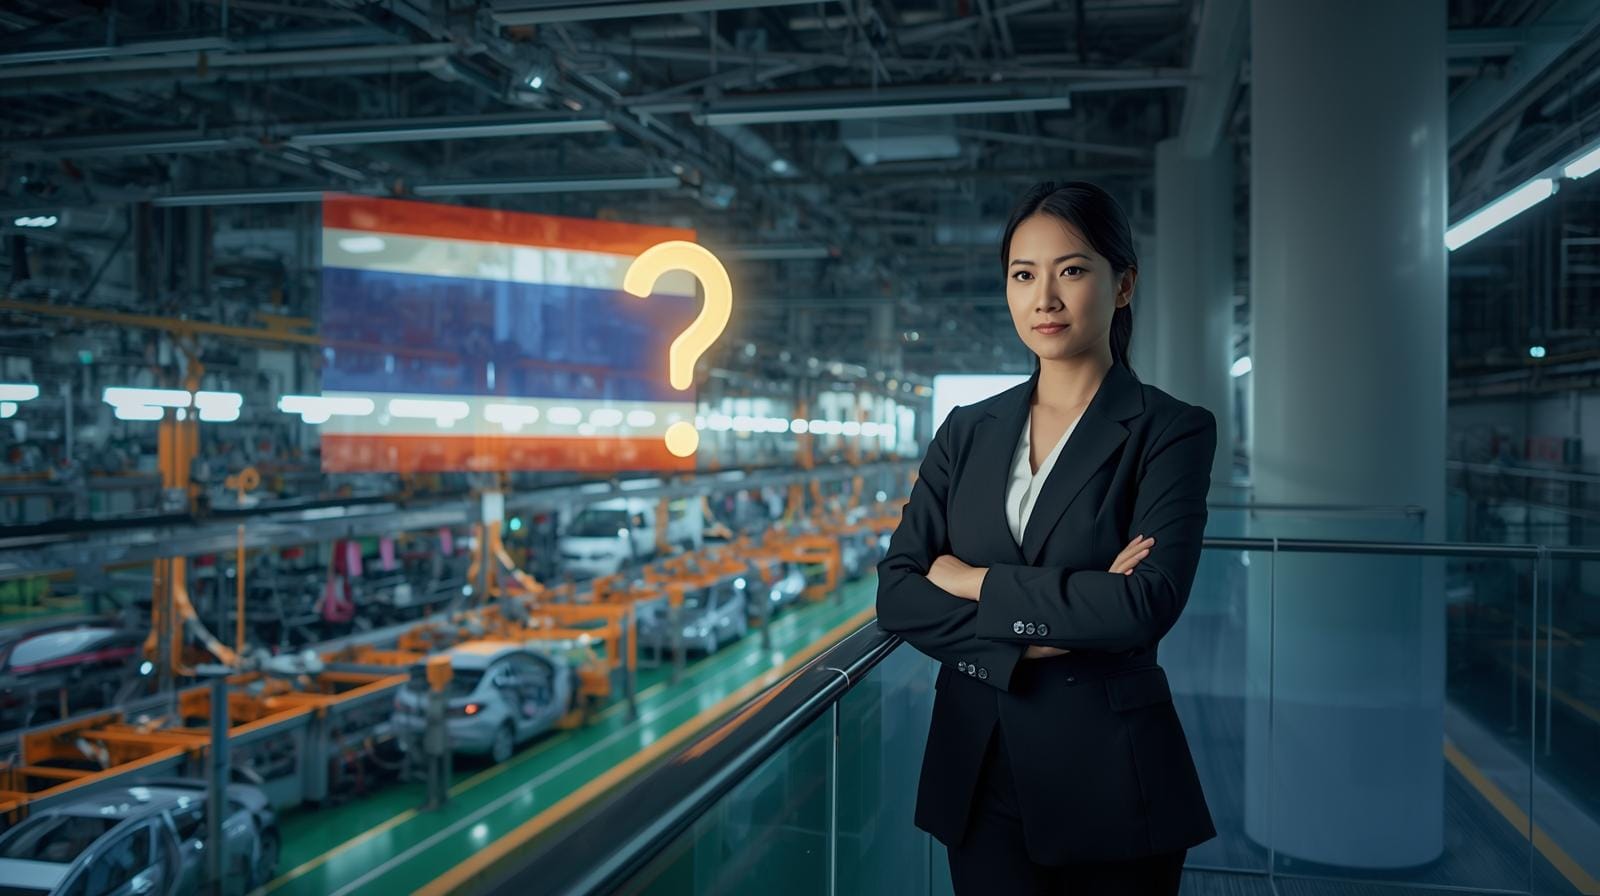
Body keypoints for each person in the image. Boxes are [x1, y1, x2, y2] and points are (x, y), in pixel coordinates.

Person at [876, 180, 1218, 895]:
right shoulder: (968, 429)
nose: (1045, 299)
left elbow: (1144, 604)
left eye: (1072, 270)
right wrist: (1063, 619)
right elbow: (899, 593)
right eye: (1024, 275)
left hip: (1111, 780)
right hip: (975, 773)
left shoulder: (1169, 430)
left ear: (1122, 284)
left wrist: (974, 583)